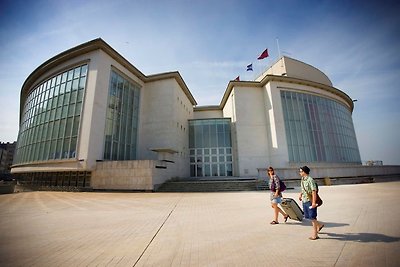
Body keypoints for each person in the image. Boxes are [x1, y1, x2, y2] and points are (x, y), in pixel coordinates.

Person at [298, 166, 324, 240]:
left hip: (310, 201)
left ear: (304, 172)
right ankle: (320, 225)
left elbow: (313, 192)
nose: (299, 173)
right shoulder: (302, 179)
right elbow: (303, 189)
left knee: (313, 217)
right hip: (304, 200)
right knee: (308, 217)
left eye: (300, 171)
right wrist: (300, 194)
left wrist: (313, 202)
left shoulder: (310, 180)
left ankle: (315, 235)